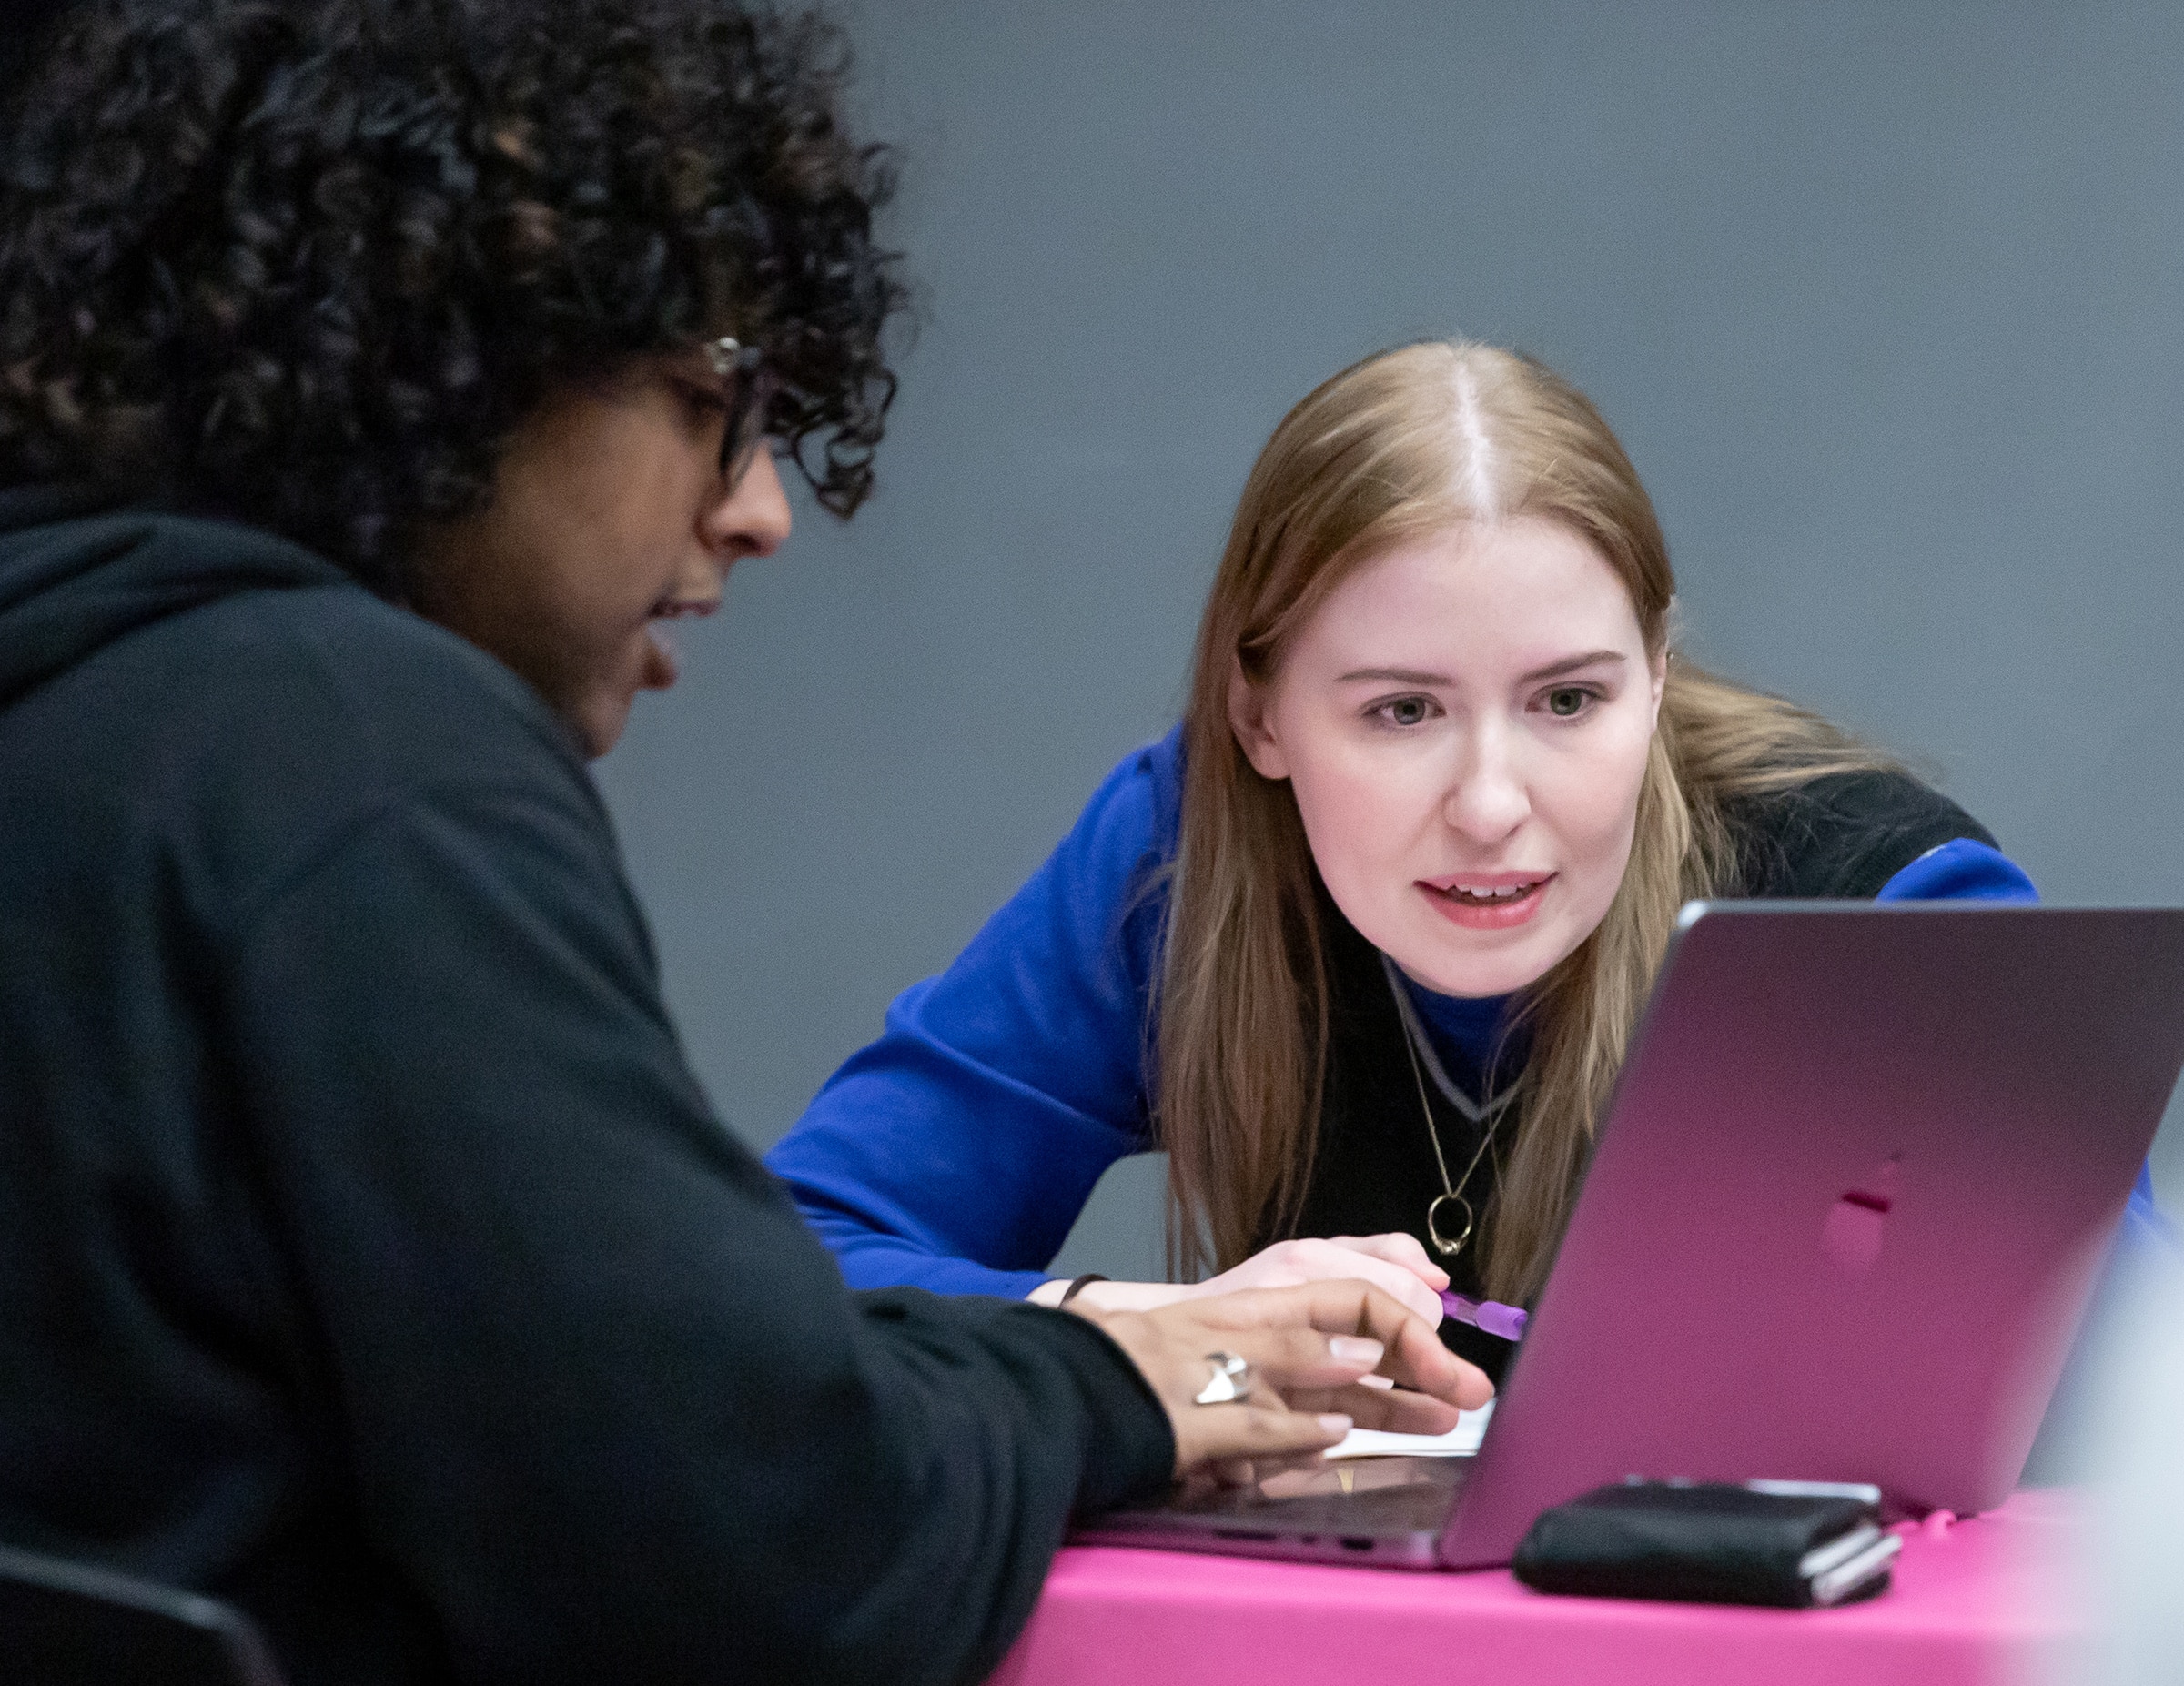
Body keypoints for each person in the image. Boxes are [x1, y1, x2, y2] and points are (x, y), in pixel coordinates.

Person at [0, 5, 1488, 1683]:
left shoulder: (85, 718)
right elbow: (782, 1547)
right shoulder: (350, 767)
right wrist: (1154, 1383)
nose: (760, 506)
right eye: (718, 388)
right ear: (461, 339)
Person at [766, 338, 2171, 1379]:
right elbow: (796, 1255)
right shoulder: (1177, 859)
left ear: (1657, 674)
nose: (1491, 803)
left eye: (1569, 700)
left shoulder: (1882, 904)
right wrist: (1143, 1324)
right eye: (1400, 710)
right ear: (1258, 714)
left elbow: (2131, 1408)